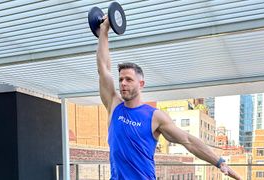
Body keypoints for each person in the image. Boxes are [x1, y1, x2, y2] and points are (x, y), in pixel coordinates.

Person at [96, 15, 242, 180]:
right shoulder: (114, 104)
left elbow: (188, 140)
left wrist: (220, 162)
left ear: (141, 84)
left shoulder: (154, 116)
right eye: (121, 79)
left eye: (129, 79)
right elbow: (103, 68)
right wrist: (104, 31)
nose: (123, 83)